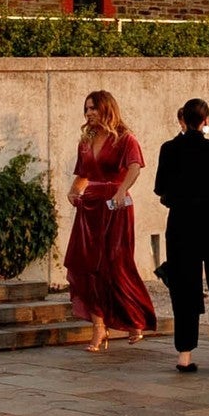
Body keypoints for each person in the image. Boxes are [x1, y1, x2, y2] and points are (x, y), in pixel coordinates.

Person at [154, 98, 209, 374]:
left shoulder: (169, 149)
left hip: (182, 224)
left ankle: (185, 353)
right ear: (205, 120)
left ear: (183, 119)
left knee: (184, 287)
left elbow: (160, 188)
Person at [63, 91, 156, 350]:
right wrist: (73, 191)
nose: (89, 113)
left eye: (93, 108)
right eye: (86, 109)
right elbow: (83, 173)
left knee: (116, 264)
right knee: (87, 268)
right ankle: (98, 328)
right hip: (89, 206)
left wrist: (120, 190)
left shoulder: (125, 138)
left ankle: (134, 318)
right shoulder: (86, 139)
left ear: (106, 109)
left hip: (116, 206)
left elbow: (136, 167)